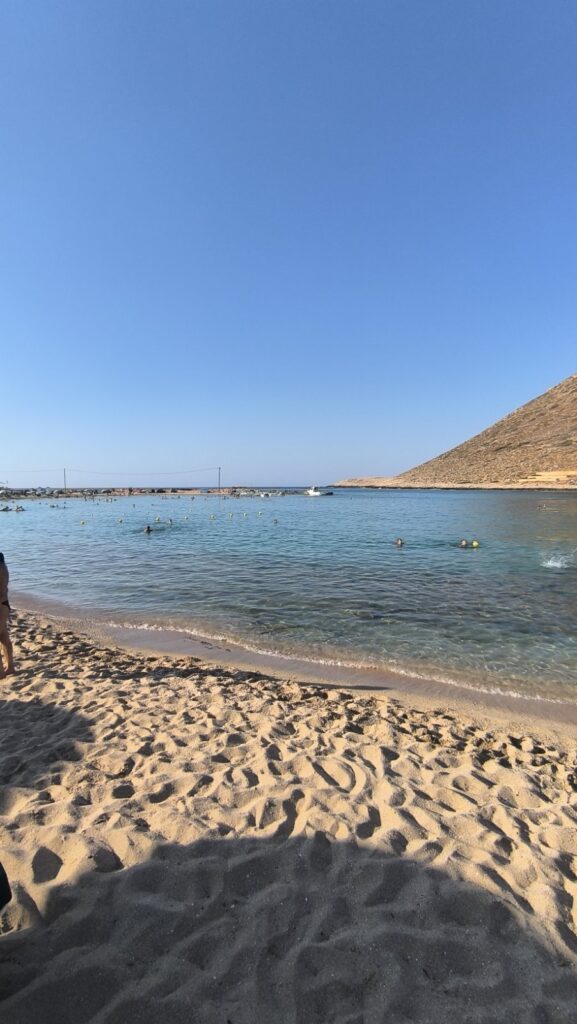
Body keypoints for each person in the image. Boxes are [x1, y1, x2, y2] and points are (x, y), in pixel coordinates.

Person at [0, 553, 15, 677]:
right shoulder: (3, 567)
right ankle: (10, 667)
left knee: (3, 635)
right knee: (3, 635)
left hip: (1, 604)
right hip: (4, 604)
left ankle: (0, 672)